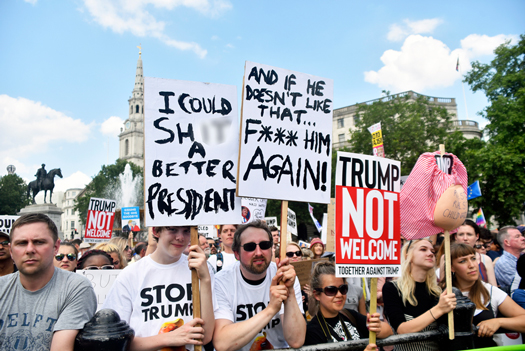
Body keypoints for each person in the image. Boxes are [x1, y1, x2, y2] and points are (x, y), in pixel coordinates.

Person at [103, 226, 215, 350]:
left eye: (186, 231)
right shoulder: (130, 275)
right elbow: (114, 341)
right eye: (172, 229)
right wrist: (168, 338)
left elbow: (206, 336)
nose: (180, 237)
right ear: (156, 231)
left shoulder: (202, 269)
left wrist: (205, 280)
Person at [0, 213, 96, 350]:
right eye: (21, 243)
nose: (29, 250)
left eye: (39, 242)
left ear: (56, 246)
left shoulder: (76, 288)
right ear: (11, 250)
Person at [213, 220, 305, 351]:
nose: (258, 252)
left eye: (264, 245)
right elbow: (222, 343)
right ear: (237, 253)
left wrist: (289, 292)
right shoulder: (221, 282)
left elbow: (296, 340)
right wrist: (271, 309)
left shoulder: (285, 276)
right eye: (250, 247)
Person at [443, 243, 525, 348]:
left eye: (473, 258)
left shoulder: (490, 291)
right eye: (462, 261)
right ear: (452, 268)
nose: (471, 265)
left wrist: (499, 322)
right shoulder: (440, 294)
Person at [383, 239, 456, 351]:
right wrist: (439, 309)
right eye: (423, 249)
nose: (431, 253)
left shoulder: (437, 292)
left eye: (432, 251)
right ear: (409, 256)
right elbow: (402, 329)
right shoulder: (392, 288)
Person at [304, 261, 391, 348]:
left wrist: (377, 327)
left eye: (343, 289)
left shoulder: (350, 315)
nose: (339, 295)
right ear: (316, 295)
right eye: (331, 290)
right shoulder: (312, 331)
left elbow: (389, 331)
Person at [440, 220, 496, 286]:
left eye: (469, 234)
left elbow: (494, 288)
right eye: (461, 234)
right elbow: (443, 285)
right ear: (456, 237)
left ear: (477, 236)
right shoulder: (446, 257)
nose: (465, 238)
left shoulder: (485, 259)